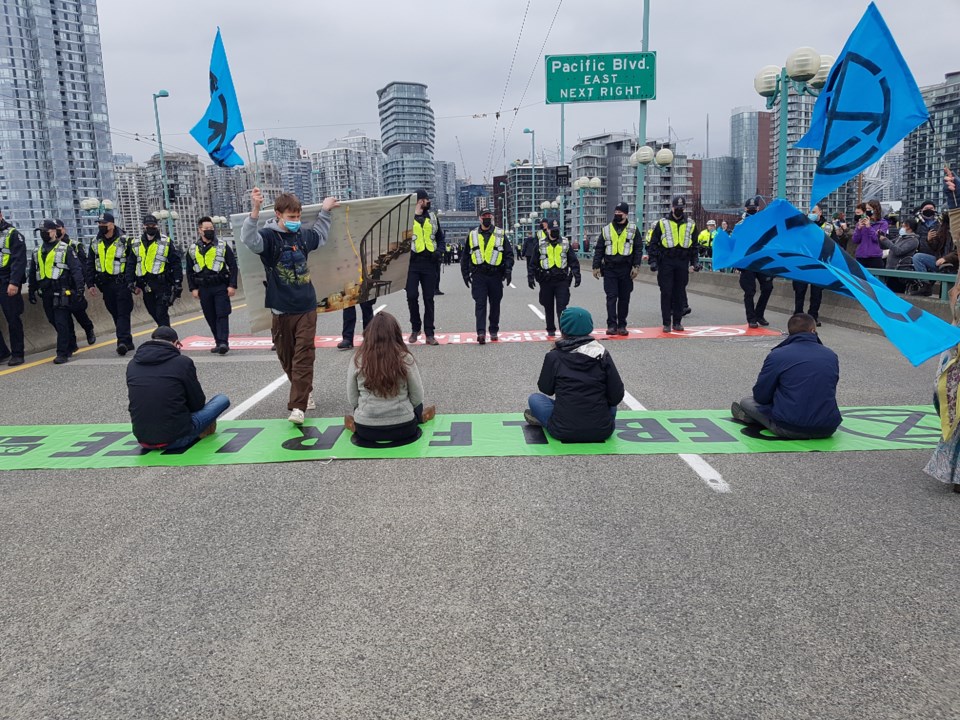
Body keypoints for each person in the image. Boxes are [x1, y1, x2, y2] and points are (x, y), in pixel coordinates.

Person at [241, 187, 338, 425]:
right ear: (278, 214)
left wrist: (325, 210)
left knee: (304, 355)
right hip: (281, 308)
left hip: (306, 305)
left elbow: (320, 235)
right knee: (287, 357)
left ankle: (298, 407)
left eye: (298, 216)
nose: (295, 221)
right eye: (291, 217)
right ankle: (305, 390)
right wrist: (254, 209)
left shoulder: (303, 236)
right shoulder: (268, 238)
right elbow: (248, 239)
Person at [731, 313, 841, 439]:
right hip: (827, 428)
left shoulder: (778, 355)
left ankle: (753, 419)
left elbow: (761, 396)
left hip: (789, 427)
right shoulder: (831, 355)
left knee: (747, 401)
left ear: (790, 332)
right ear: (813, 331)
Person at [524, 306, 624, 442]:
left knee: (535, 399)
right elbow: (616, 395)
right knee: (610, 398)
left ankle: (548, 418)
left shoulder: (554, 356)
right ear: (589, 328)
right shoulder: (602, 354)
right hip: (602, 430)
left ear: (563, 329)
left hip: (562, 430)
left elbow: (545, 389)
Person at [126, 325, 230, 450]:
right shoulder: (182, 362)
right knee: (222, 400)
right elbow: (197, 404)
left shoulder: (132, 364)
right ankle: (198, 431)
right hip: (176, 439)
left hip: (143, 439)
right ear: (175, 343)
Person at [344, 312, 436, 445]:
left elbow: (352, 398)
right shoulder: (405, 358)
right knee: (417, 406)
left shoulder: (358, 359)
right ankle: (421, 418)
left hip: (366, 429)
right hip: (404, 427)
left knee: (359, 409)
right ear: (396, 334)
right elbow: (417, 396)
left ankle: (354, 424)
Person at [27, 220, 86, 364]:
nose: (43, 234)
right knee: (52, 320)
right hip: (46, 292)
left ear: (53, 231)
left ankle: (62, 353)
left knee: (61, 322)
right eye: (40, 231)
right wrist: (31, 290)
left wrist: (79, 289)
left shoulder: (66, 249)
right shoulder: (37, 251)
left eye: (45, 231)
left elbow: (76, 270)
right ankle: (71, 343)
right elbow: (34, 272)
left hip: (61, 291)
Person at [461, 207, 514, 344]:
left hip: (495, 275)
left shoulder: (500, 234)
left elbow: (508, 254)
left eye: (489, 216)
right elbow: (465, 256)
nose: (487, 218)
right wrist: (465, 274)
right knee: (480, 304)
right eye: (484, 216)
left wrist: (508, 271)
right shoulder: (472, 235)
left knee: (495, 304)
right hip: (478, 275)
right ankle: (481, 332)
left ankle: (494, 330)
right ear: (479, 218)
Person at [648, 195, 699, 333]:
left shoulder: (691, 224)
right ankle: (666, 323)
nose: (679, 210)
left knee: (679, 292)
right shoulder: (662, 223)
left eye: (681, 208)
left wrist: (695, 262)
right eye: (677, 208)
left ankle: (677, 322)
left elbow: (695, 246)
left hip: (682, 261)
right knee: (666, 292)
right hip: (666, 261)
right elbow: (653, 244)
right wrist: (653, 261)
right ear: (672, 207)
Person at [188, 216, 238, 354]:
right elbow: (189, 270)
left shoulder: (222, 246)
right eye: (206, 229)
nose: (209, 231)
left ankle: (223, 342)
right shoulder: (193, 249)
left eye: (211, 228)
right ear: (200, 230)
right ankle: (218, 341)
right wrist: (193, 288)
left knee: (222, 314)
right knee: (210, 316)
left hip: (220, 286)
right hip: (203, 288)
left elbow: (233, 266)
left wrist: (232, 285)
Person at [87, 211, 135, 355]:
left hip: (122, 283)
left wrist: (132, 282)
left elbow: (132, 262)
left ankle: (121, 341)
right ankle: (128, 340)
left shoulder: (125, 241)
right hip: (105, 285)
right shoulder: (95, 242)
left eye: (104, 224)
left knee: (123, 312)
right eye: (99, 224)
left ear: (112, 224)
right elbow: (90, 263)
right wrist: (90, 284)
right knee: (115, 313)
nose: (101, 226)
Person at [592, 202, 643, 336]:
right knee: (611, 297)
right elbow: (599, 249)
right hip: (610, 269)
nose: (617, 214)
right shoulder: (607, 229)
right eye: (616, 212)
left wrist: (636, 266)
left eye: (620, 212)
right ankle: (611, 325)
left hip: (626, 269)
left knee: (624, 298)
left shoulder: (633, 229)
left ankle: (622, 325)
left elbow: (638, 249)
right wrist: (596, 266)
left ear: (626, 214)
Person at [528, 219, 580, 338]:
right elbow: (533, 263)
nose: (555, 232)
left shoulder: (565, 243)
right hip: (546, 280)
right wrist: (530, 277)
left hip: (562, 279)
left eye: (557, 230)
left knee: (562, 307)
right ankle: (550, 328)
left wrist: (577, 275)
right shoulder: (540, 244)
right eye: (553, 230)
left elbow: (573, 261)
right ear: (548, 230)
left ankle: (563, 330)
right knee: (548, 305)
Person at [130, 213, 182, 329]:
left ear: (157, 226)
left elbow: (176, 262)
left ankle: (168, 338)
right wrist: (131, 282)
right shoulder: (136, 243)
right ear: (143, 226)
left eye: (153, 225)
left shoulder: (165, 241)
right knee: (152, 311)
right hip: (145, 284)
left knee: (161, 312)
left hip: (162, 284)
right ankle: (166, 333)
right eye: (148, 225)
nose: (150, 227)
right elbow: (131, 264)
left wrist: (178, 282)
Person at [406, 189, 443, 345]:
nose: (429, 202)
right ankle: (415, 329)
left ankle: (430, 333)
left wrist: (438, 253)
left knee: (429, 298)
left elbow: (441, 239)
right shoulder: (406, 218)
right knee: (412, 296)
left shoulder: (433, 218)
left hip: (429, 263)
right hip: (412, 264)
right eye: (427, 199)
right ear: (420, 201)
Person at [55, 219, 96, 347]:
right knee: (64, 318)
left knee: (79, 312)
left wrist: (88, 284)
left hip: (73, 285)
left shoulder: (75, 245)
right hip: (58, 287)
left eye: (59, 228)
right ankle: (72, 343)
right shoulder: (50, 247)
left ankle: (88, 329)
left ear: (64, 229)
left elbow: (84, 267)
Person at [737, 197, 774, 329]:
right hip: (747, 262)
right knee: (749, 291)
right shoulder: (740, 225)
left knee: (768, 287)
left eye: (755, 208)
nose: (752, 210)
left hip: (762, 261)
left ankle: (759, 314)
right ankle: (751, 318)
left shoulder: (764, 224)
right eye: (750, 208)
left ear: (758, 209)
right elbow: (736, 245)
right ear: (746, 209)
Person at [0, 208, 27, 366]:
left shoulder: (13, 234)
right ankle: (2, 352)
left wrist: (14, 282)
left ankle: (18, 354)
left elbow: (19, 261)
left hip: (7, 280)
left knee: (13, 319)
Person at [793, 203, 826, 326]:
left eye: (814, 211)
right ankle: (798, 316)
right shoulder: (802, 227)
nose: (811, 214)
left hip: (819, 265)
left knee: (816, 294)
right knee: (799, 291)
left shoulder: (827, 227)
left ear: (820, 213)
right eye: (809, 212)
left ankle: (813, 317)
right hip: (803, 263)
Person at [880, 216, 920, 293]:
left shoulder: (914, 240)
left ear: (909, 227)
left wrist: (885, 240)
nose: (902, 228)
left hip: (899, 271)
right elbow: (889, 243)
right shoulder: (900, 237)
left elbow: (899, 251)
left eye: (903, 226)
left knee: (897, 292)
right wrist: (882, 237)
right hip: (890, 269)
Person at [851, 198, 887, 270]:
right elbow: (855, 240)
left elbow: (877, 239)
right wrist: (859, 228)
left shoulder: (883, 223)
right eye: (866, 208)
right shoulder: (861, 222)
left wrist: (869, 227)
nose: (867, 210)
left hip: (875, 256)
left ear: (875, 209)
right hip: (861, 256)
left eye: (869, 208)